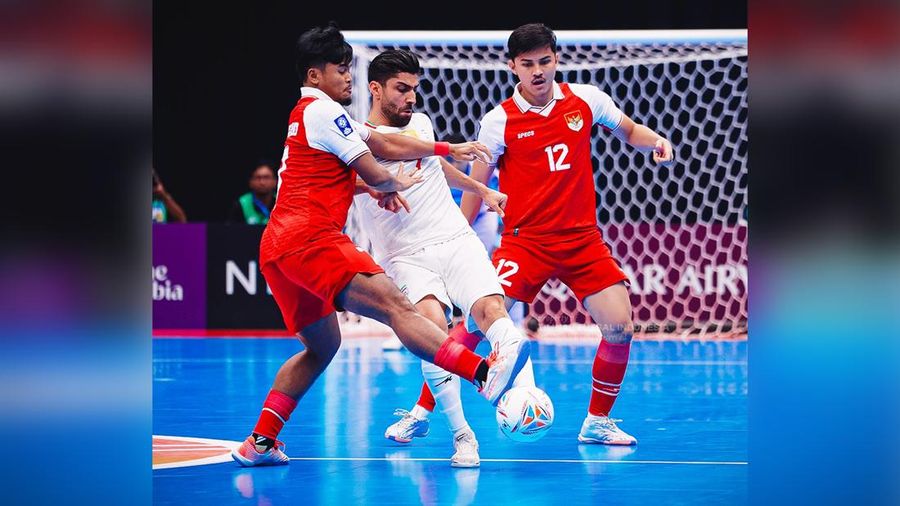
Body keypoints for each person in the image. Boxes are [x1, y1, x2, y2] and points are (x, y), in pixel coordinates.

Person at [231, 22, 530, 467]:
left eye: (350, 68)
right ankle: (486, 375)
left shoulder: (315, 117)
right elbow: (378, 165)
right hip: (312, 238)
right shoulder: (323, 112)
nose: (348, 76)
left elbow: (384, 143)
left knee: (322, 347)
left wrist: (443, 150)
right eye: (340, 69)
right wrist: (387, 183)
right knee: (398, 309)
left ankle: (260, 441)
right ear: (314, 76)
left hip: (277, 246)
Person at [460, 23, 675, 446]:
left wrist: (656, 141)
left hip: (582, 241)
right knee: (474, 321)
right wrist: (460, 235)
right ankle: (421, 409)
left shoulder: (586, 100)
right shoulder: (498, 120)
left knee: (620, 328)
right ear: (512, 67)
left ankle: (597, 422)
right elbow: (477, 184)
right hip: (526, 241)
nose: (538, 71)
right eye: (528, 64)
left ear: (556, 60)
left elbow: (630, 130)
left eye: (545, 61)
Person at [355, 50, 535, 468]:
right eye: (402, 89)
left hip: (454, 236)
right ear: (375, 88)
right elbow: (348, 183)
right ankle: (463, 435)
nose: (411, 98)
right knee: (434, 333)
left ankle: (506, 360)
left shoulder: (419, 123)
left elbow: (434, 164)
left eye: (415, 89)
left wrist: (482, 189)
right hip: (404, 255)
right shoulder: (354, 137)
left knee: (491, 308)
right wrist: (379, 187)